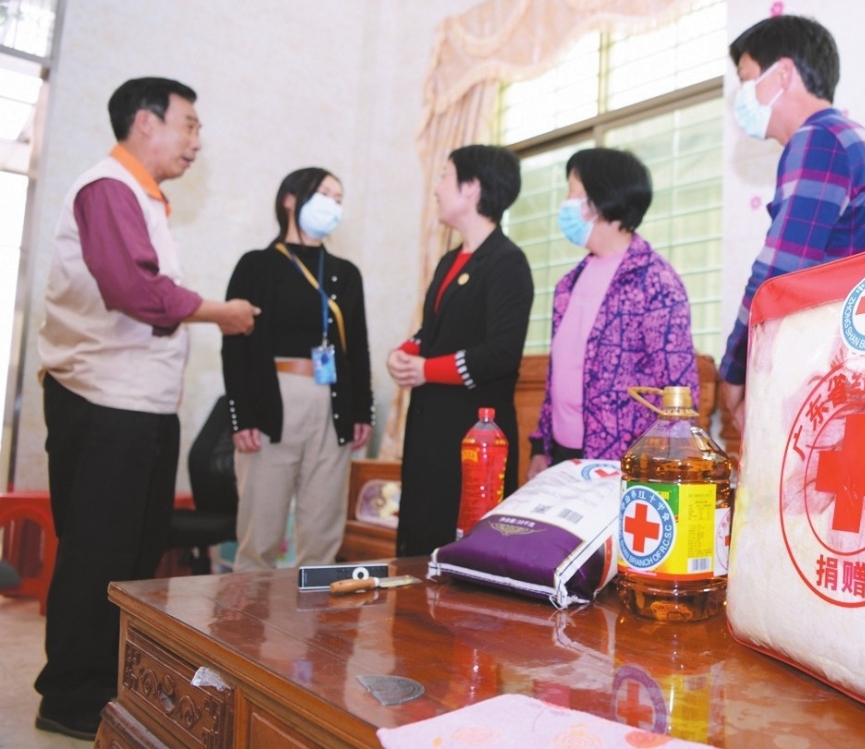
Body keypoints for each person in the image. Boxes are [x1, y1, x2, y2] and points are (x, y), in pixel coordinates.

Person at [34, 77, 258, 741]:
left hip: (141, 406)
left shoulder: (145, 199)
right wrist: (219, 312)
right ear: (145, 122)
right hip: (103, 402)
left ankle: (114, 680)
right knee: (98, 551)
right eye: (189, 124)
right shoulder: (108, 188)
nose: (197, 141)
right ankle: (70, 693)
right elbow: (132, 288)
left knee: (135, 552)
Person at [720, 15, 865, 431]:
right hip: (857, 368)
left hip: (823, 370)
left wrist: (735, 369)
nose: (742, 97)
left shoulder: (818, 140)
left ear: (782, 74)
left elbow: (777, 275)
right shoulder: (848, 135)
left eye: (746, 79)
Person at [222, 168, 374, 571]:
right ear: (290, 199)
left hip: (332, 402)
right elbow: (234, 346)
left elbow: (357, 347)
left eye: (339, 198)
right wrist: (241, 416)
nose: (333, 204)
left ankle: (313, 614)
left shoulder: (346, 273)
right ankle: (248, 614)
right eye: (324, 193)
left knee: (322, 535)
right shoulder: (256, 265)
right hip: (273, 400)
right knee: (260, 537)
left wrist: (363, 410)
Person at [388, 145, 533, 557]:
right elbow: (433, 332)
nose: (437, 188)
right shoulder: (450, 259)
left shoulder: (507, 262)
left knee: (462, 551)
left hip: (474, 434)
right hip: (430, 431)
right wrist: (404, 354)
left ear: (471, 188)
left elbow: (501, 352)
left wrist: (425, 370)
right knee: (418, 545)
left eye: (445, 177)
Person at [527, 148, 698, 477]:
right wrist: (540, 446)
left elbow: (679, 391)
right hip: (562, 456)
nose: (566, 203)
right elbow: (558, 376)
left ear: (602, 198)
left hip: (623, 464)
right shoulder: (567, 285)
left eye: (573, 192)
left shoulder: (655, 282)